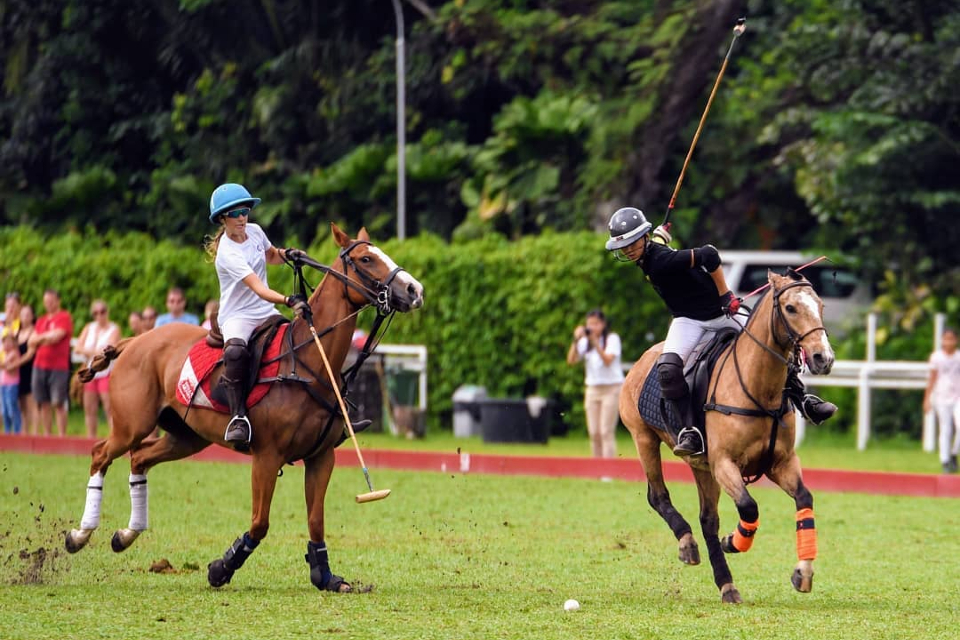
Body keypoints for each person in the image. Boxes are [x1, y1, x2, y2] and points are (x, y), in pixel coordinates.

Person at [604, 207, 836, 456]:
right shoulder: (649, 253)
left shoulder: (661, 259)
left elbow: (710, 255)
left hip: (721, 313)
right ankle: (690, 432)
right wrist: (660, 236)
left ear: (644, 237)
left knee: (768, 346)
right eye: (623, 245)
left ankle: (803, 400)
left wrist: (725, 294)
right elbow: (656, 250)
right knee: (669, 369)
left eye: (632, 242)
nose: (628, 249)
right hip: (687, 320)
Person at [204, 182, 308, 447]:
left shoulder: (255, 231)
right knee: (236, 352)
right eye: (236, 212)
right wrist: (287, 300)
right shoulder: (227, 253)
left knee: (300, 339)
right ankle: (238, 417)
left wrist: (288, 255)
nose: (242, 217)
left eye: (245, 210)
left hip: (265, 311)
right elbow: (259, 288)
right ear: (223, 218)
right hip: (238, 315)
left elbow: (270, 254)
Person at [566, 309, 624, 459]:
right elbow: (571, 360)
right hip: (592, 389)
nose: (592, 327)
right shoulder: (584, 342)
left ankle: (608, 469)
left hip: (611, 388)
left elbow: (607, 360)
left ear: (603, 324)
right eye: (590, 323)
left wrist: (596, 343)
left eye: (596, 323)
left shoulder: (612, 339)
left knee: (606, 431)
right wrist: (576, 339)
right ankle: (597, 467)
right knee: (594, 432)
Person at [28, 289, 73, 437]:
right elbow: (31, 341)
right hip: (39, 365)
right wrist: (45, 338)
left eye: (51, 301)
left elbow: (57, 336)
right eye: (46, 301)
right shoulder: (41, 320)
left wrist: (41, 338)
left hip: (58, 367)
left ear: (57, 301)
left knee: (58, 403)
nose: (48, 304)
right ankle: (47, 436)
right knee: (43, 403)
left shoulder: (64, 317)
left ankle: (61, 436)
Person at [75, 300, 121, 438]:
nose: (99, 315)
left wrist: (88, 351)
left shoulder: (114, 329)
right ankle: (91, 438)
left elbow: (107, 351)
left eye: (102, 312)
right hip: (91, 371)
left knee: (109, 407)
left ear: (107, 312)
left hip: (106, 372)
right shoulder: (89, 328)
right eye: (96, 313)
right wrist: (95, 351)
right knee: (89, 408)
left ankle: (115, 438)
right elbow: (78, 348)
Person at [923, 327, 960, 474]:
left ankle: (954, 452)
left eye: (951, 339)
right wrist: (927, 398)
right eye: (946, 339)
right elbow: (932, 378)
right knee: (945, 429)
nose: (948, 342)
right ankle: (944, 460)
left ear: (956, 340)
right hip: (942, 397)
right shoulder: (936, 357)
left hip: (958, 396)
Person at [16, 304, 38, 434]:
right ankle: (24, 433)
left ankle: (34, 433)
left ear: (32, 316)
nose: (24, 317)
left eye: (27, 314)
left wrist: (14, 364)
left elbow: (30, 354)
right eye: (22, 314)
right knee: (21, 405)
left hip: (29, 370)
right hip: (18, 373)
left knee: (32, 404)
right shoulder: (16, 332)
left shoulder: (34, 332)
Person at [1, 333, 21, 434]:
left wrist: (4, 365)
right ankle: (7, 431)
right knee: (4, 410)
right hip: (3, 385)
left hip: (11, 385)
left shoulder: (14, 353)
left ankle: (17, 431)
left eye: (9, 342)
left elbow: (5, 366)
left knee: (11, 408)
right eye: (5, 342)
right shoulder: (4, 354)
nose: (7, 345)